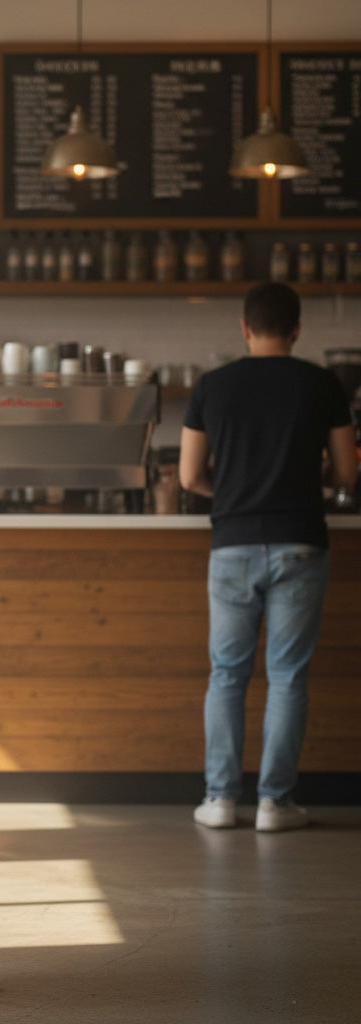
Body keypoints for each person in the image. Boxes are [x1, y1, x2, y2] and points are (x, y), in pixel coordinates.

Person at [179, 282, 358, 832]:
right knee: (288, 678)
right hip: (301, 539)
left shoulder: (212, 386)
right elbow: (347, 473)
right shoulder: (323, 383)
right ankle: (276, 805)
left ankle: (220, 799)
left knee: (227, 676)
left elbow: (189, 476)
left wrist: (234, 492)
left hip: (232, 544)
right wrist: (307, 481)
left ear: (244, 327)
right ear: (298, 329)